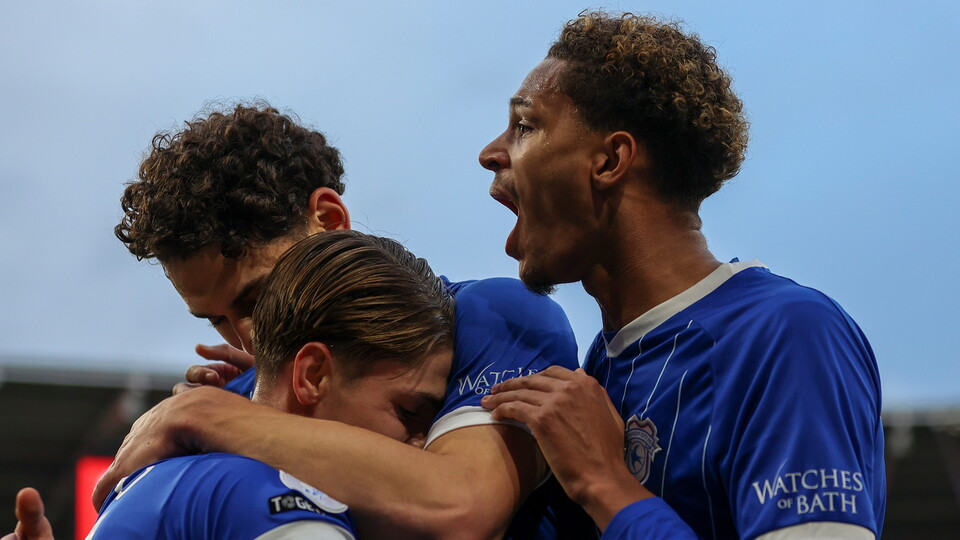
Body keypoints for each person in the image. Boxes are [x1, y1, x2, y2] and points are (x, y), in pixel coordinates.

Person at [0, 104, 592, 540]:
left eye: (255, 297)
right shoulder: (232, 403)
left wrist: (207, 418)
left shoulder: (494, 318)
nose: (249, 337)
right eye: (217, 320)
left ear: (329, 218)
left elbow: (462, 509)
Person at [478, 11, 884, 540]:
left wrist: (604, 481)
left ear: (610, 160)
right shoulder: (599, 370)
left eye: (525, 126)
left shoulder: (786, 332)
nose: (490, 154)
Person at [90, 230, 455, 539]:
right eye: (408, 412)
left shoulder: (187, 480)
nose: (423, 443)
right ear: (313, 375)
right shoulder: (278, 503)